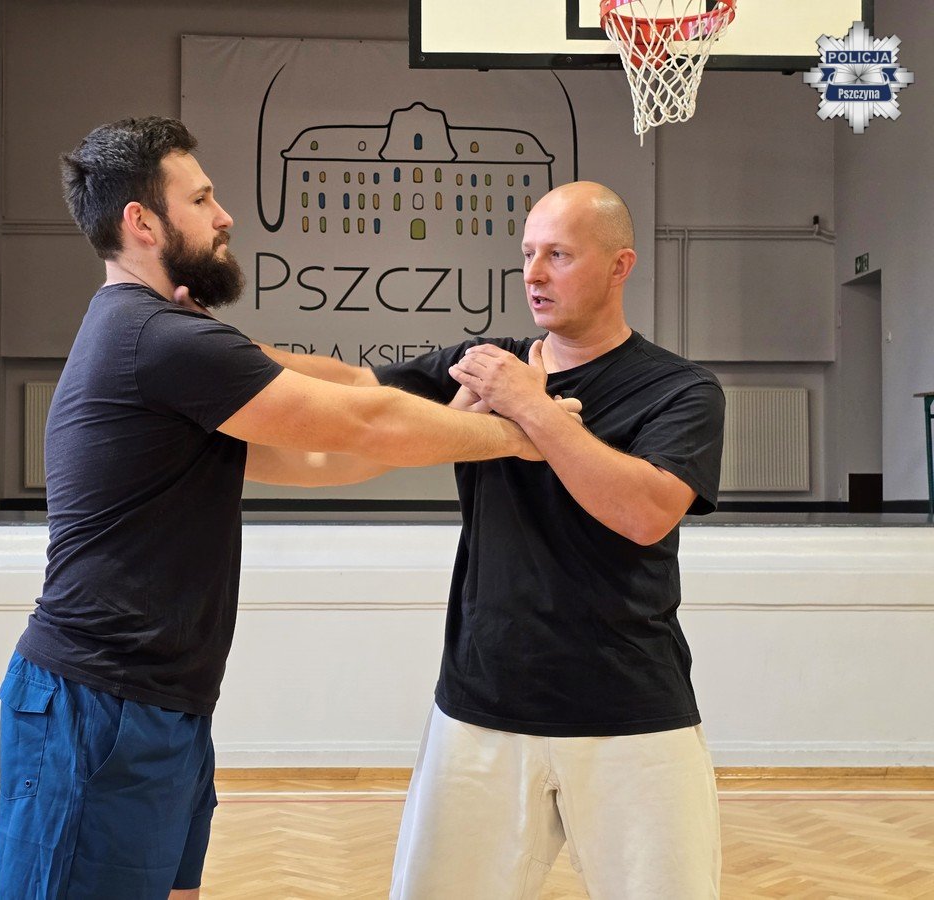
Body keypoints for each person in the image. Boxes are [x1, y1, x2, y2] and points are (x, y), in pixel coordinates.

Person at [0, 116, 576, 900]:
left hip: (160, 703)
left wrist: (465, 407)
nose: (224, 215)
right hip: (97, 705)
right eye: (201, 199)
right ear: (142, 222)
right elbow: (363, 421)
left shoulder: (165, 339)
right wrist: (525, 433)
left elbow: (329, 454)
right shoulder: (155, 339)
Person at [262, 181, 726, 897]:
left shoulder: (679, 390)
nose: (534, 273)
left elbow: (644, 512)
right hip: (481, 708)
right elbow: (355, 384)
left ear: (619, 266)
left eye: (559, 255)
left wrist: (528, 407)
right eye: (528, 253)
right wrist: (222, 350)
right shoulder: (491, 362)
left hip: (632, 713)